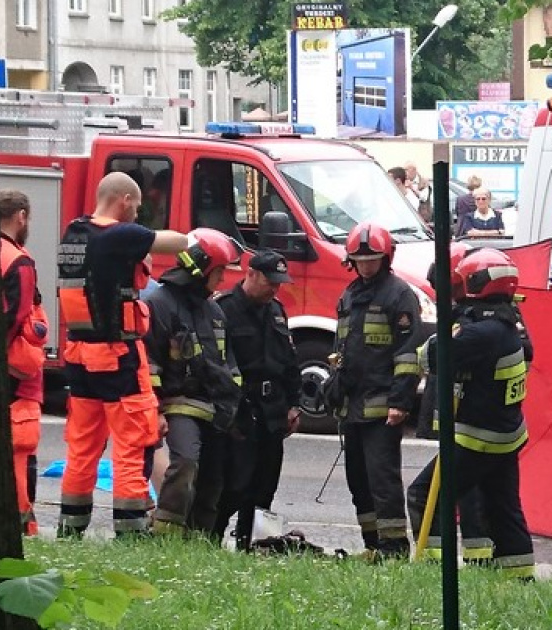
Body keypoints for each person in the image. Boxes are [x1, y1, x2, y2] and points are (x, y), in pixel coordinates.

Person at [57, 172, 191, 538]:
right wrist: (195, 238)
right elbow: (177, 242)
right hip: (118, 357)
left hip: (80, 357)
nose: (138, 212)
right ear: (125, 200)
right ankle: (131, 533)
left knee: (82, 449)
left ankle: (70, 530)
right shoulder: (119, 234)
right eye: (137, 206)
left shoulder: (74, 232)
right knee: (133, 445)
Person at [408, 248, 535, 580]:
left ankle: (431, 568)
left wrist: (449, 330)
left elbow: (432, 358)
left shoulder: (478, 333)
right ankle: (519, 575)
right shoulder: (510, 322)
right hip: (507, 435)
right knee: (504, 507)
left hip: (477, 436)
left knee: (427, 494)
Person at [324, 222, 424, 559]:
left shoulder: (399, 295)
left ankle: (394, 548)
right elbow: (344, 348)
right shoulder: (350, 294)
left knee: (383, 480)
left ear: (386, 258)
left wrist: (401, 401)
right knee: (358, 481)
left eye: (372, 259)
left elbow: (408, 355)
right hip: (351, 405)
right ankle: (372, 546)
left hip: (382, 407)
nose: (366, 265)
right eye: (360, 260)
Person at [143, 228, 245, 538]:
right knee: (186, 461)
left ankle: (199, 536)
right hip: (177, 403)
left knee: (214, 475)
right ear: (201, 270)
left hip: (214, 407)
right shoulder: (160, 303)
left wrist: (233, 404)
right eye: (220, 271)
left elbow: (229, 363)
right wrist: (156, 410)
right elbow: (150, 362)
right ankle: (166, 533)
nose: (224, 279)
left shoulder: (214, 310)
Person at [213, 250, 302, 550]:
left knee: (265, 487)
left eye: (279, 283)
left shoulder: (276, 309)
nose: (275, 289)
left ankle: (252, 545)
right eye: (270, 281)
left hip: (272, 411)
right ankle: (211, 539)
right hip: (241, 411)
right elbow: (220, 364)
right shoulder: (224, 309)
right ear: (250, 274)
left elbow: (289, 362)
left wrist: (294, 403)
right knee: (234, 485)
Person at [0, 190, 48, 536]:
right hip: (14, 373)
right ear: (20, 217)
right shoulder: (18, 260)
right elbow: (14, 317)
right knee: (18, 451)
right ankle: (18, 528)